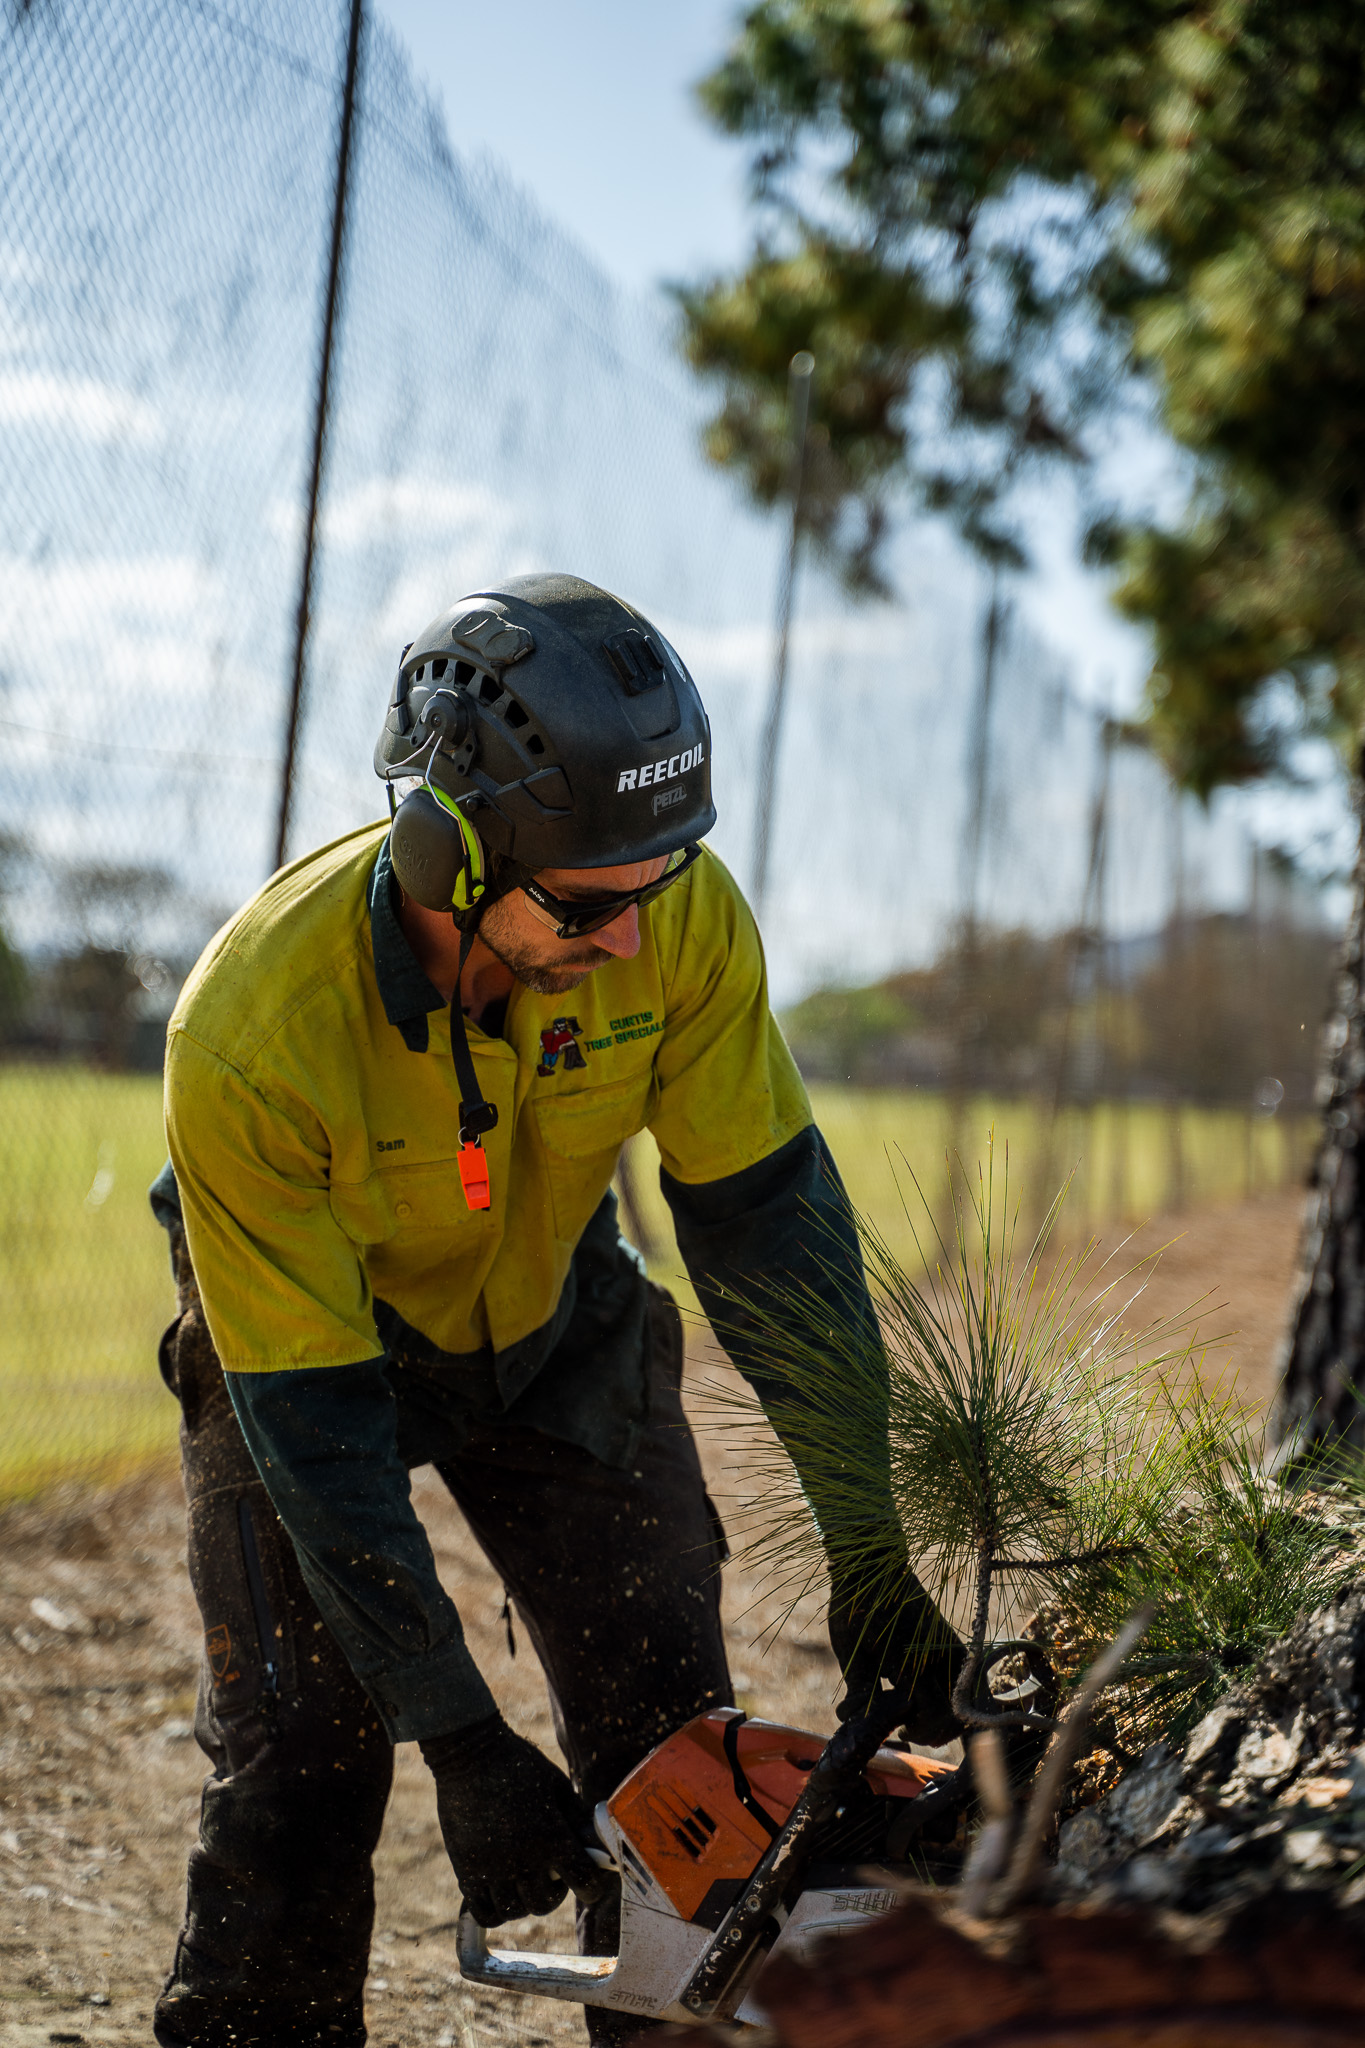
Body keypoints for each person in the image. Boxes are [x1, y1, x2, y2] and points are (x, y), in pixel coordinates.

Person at [150, 573, 960, 2048]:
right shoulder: (249, 1036)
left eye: (659, 884)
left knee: (672, 1749)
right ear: (446, 853)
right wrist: (459, 1736)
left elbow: (771, 1233)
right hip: (307, 1347)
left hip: (557, 1313)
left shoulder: (675, 914)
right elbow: (316, 1431)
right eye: (589, 905)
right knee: (305, 1761)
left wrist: (870, 1550)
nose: (637, 938)